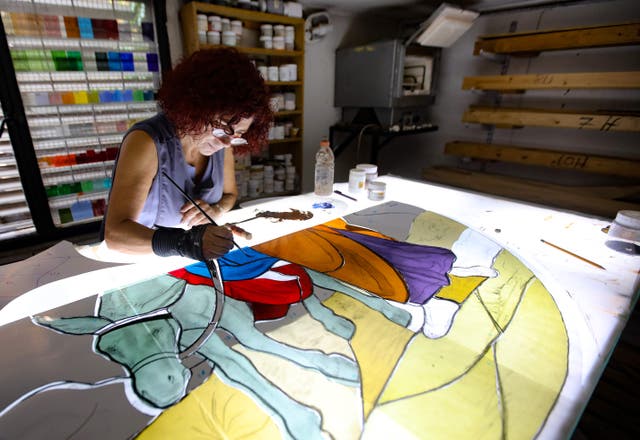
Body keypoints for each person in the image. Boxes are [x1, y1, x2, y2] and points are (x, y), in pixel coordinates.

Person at [101, 48, 272, 261]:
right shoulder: (146, 142)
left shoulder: (223, 144)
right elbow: (115, 235)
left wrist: (215, 211)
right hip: (136, 260)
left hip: (183, 262)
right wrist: (185, 242)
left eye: (239, 134)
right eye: (223, 129)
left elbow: (230, 196)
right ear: (196, 109)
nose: (228, 142)